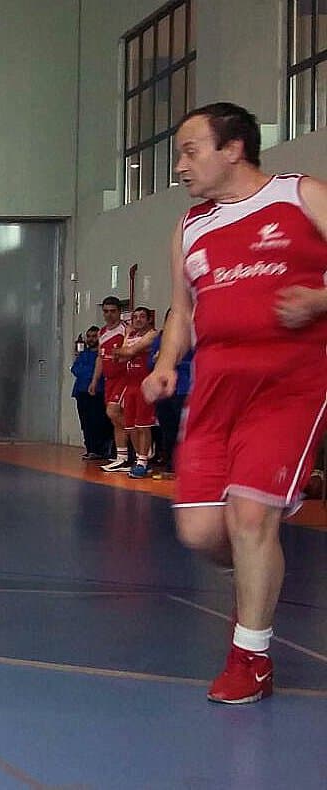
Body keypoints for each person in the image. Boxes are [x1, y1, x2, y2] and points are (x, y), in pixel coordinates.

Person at [142, 102, 327, 704]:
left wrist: (319, 299)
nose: (179, 165)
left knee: (250, 517)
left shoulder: (301, 195)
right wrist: (167, 363)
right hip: (215, 389)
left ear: (233, 149)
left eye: (190, 150)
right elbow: (182, 310)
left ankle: (251, 655)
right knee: (200, 531)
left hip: (289, 384)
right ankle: (257, 574)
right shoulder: (190, 226)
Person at [146, 310, 193, 478]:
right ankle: (171, 463)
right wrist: (157, 360)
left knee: (184, 429)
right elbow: (150, 362)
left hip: (183, 388)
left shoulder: (190, 337)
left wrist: (174, 360)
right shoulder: (160, 339)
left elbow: (194, 359)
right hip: (164, 391)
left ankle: (185, 465)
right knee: (167, 429)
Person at [113, 306, 159, 478]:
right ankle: (140, 459)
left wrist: (125, 351)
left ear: (148, 320)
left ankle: (143, 460)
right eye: (135, 317)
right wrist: (125, 351)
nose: (138, 319)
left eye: (142, 317)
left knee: (143, 425)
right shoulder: (131, 335)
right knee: (130, 425)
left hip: (144, 384)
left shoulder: (153, 334)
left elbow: (129, 352)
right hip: (130, 384)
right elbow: (121, 357)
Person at [90, 296, 130, 471]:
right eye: (106, 311)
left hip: (124, 378)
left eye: (113, 311)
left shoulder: (126, 330)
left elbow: (131, 351)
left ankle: (140, 442)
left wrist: (121, 354)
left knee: (113, 411)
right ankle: (122, 456)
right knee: (114, 419)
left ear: (119, 312)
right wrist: (94, 380)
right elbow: (100, 357)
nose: (109, 315)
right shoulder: (102, 332)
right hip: (109, 380)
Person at [71, 326, 108, 459]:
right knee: (85, 422)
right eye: (89, 336)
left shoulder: (102, 355)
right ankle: (90, 448)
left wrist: (90, 375)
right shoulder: (83, 354)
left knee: (98, 421)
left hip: (98, 391)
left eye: (94, 336)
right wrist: (88, 373)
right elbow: (75, 369)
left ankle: (100, 449)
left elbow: (99, 372)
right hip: (81, 392)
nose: (91, 339)